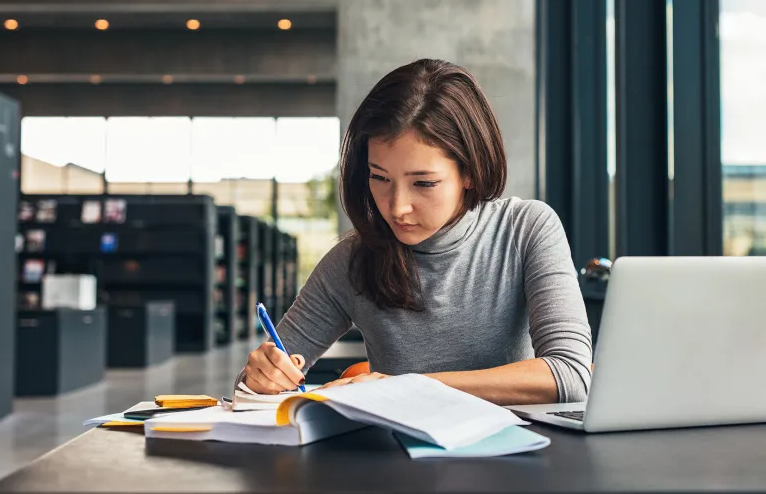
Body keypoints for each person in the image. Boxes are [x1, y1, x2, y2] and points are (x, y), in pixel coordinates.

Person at [242, 58, 592, 405]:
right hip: (398, 457)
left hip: (516, 454)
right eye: (379, 178)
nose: (397, 207)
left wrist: (402, 386)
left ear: (469, 172)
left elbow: (570, 375)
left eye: (423, 183)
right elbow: (251, 390)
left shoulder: (525, 229)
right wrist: (259, 378)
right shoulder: (352, 260)